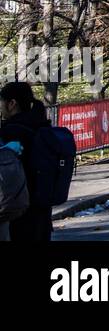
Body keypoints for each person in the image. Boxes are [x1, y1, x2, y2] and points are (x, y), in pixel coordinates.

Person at [0, 82, 53, 242]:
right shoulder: (41, 125)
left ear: (12, 103)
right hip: (42, 204)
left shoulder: (11, 131)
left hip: (18, 207)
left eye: (1, 102)